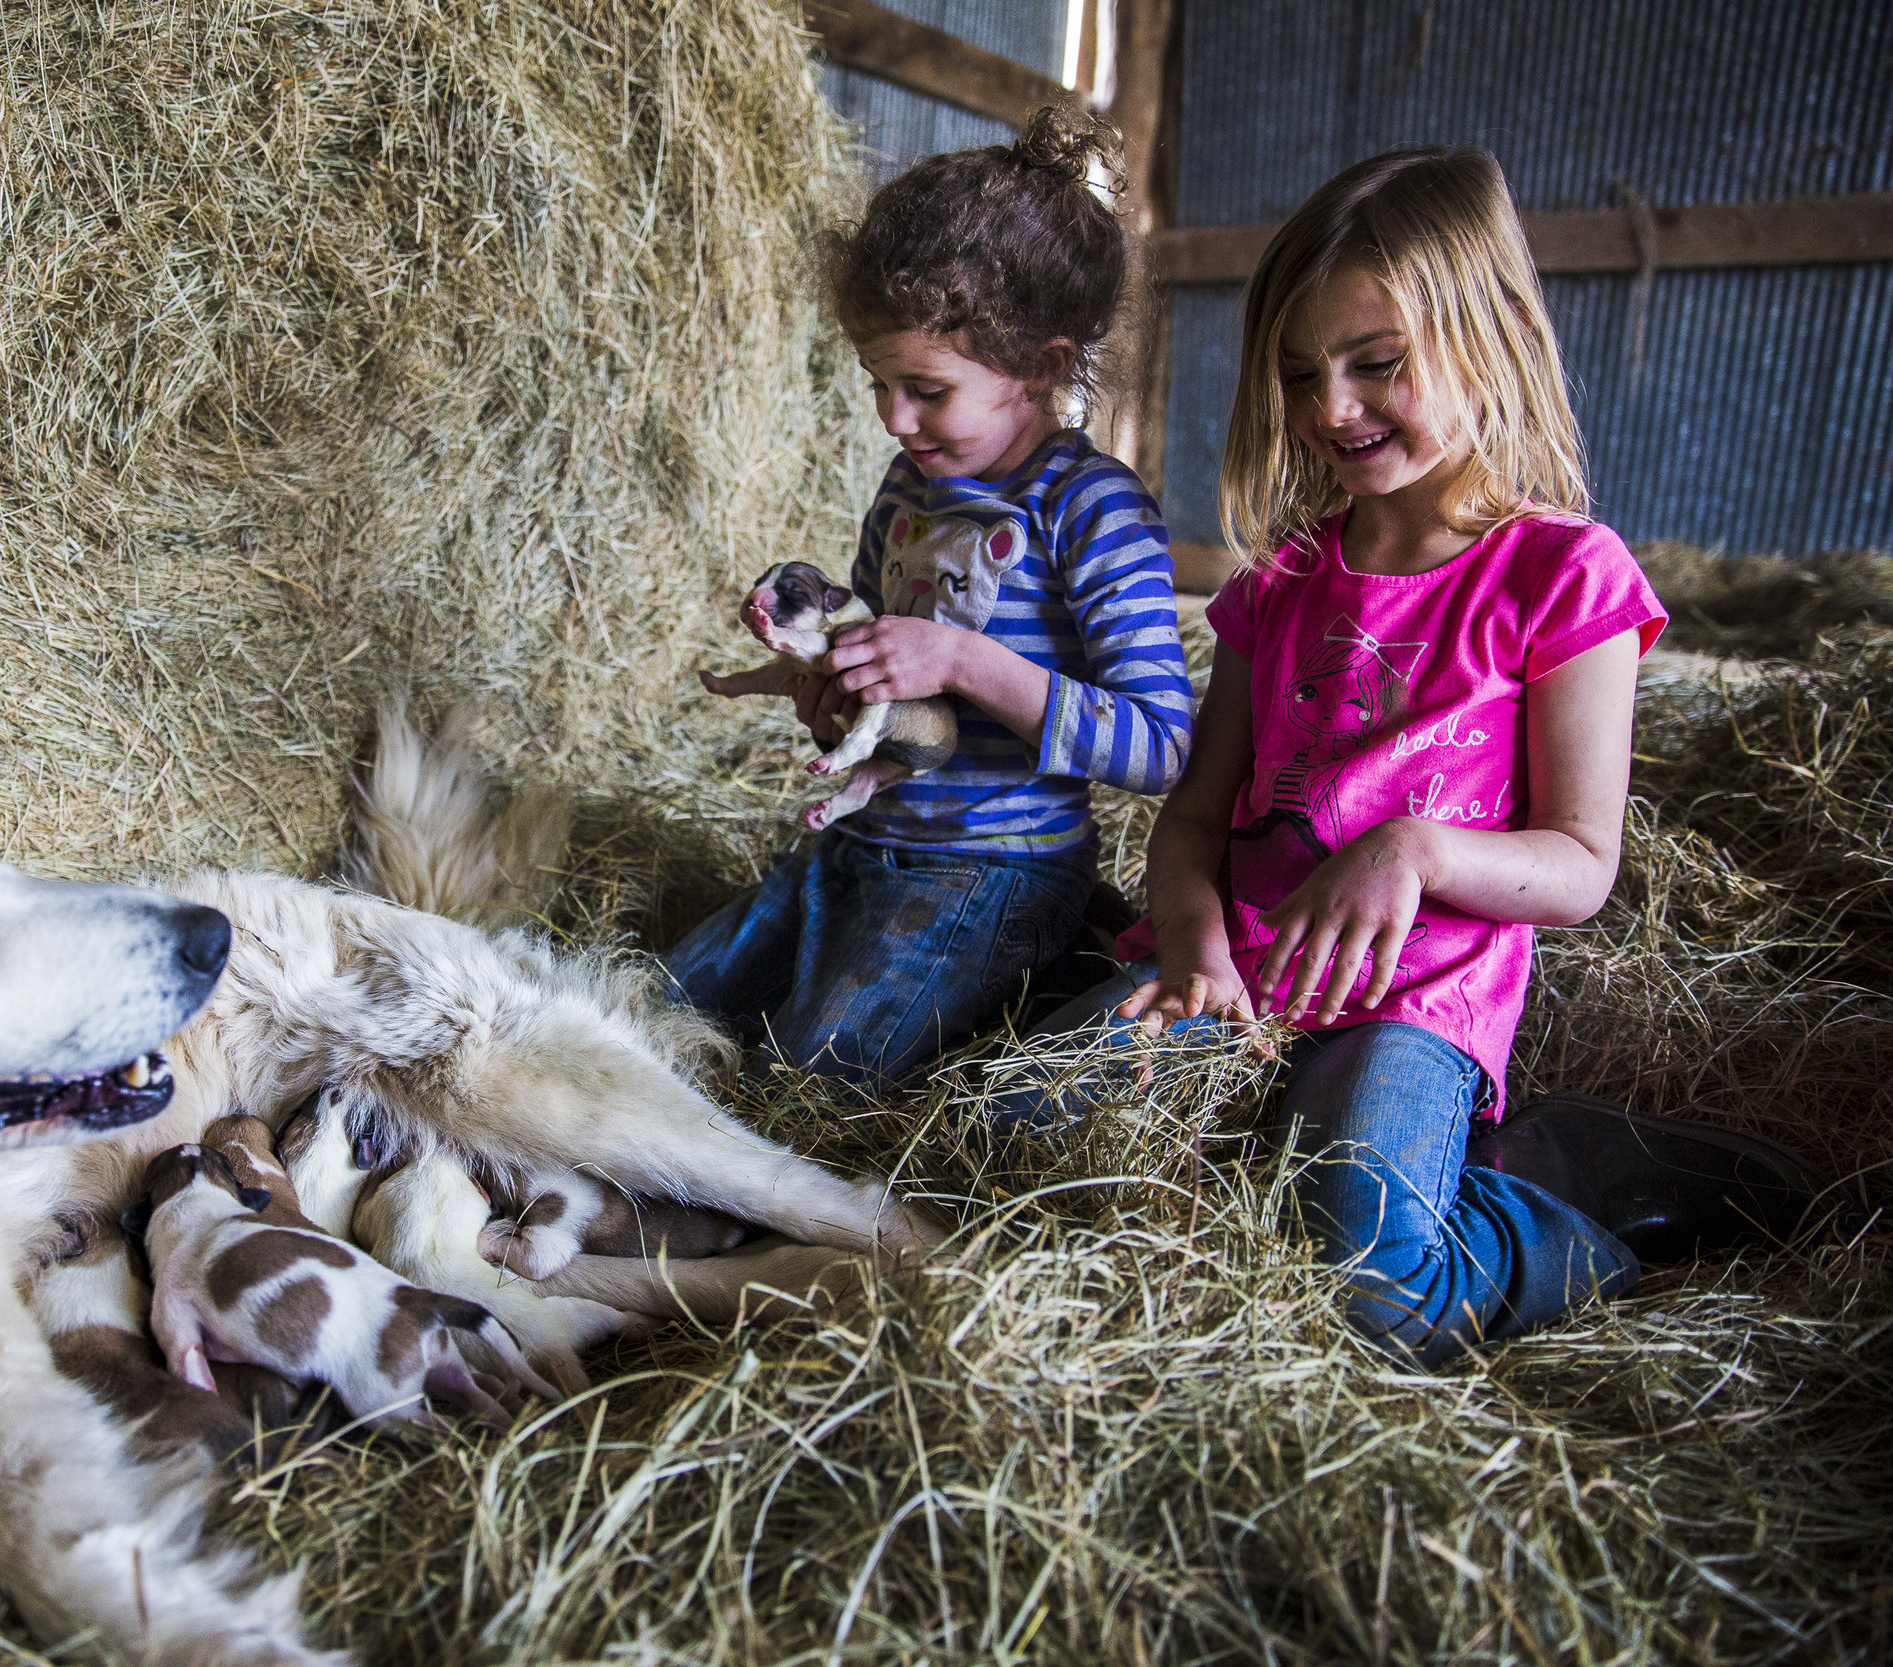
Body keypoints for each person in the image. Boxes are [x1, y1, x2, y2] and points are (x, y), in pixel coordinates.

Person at [994, 147, 1823, 1365]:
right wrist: (1195, 952)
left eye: (1376, 364)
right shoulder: (1279, 585)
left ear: (1487, 340)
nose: (1331, 406)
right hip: (1239, 977)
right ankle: (1290, 1127)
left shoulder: (1558, 575)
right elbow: (1192, 820)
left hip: (1412, 1000)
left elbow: (1583, 863)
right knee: (1006, 1133)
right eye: (1297, 372)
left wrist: (1416, 847)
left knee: (1369, 1285)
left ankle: (1564, 1194)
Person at [667, 106, 1193, 1085]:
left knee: (811, 1081)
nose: (893, 416)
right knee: (655, 1003)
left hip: (995, 876)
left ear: (1041, 366)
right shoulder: (908, 486)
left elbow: (1160, 745)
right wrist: (832, 685)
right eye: (877, 380)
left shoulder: (1091, 510)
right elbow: (883, 671)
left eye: (927, 388)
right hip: (860, 846)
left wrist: (965, 663)